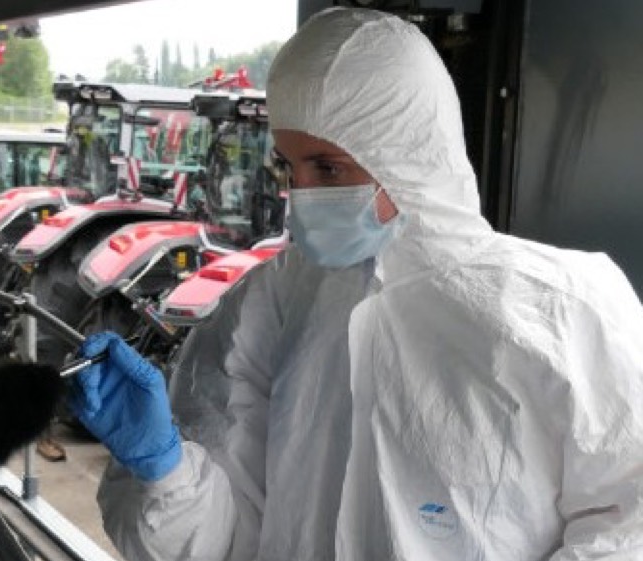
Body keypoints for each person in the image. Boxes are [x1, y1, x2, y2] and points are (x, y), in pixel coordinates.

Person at [70, 7, 643, 560]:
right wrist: (165, 470)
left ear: (407, 154)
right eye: (289, 167)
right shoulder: (276, 298)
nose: (301, 195)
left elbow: (630, 526)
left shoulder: (562, 308)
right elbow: (228, 538)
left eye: (326, 167)